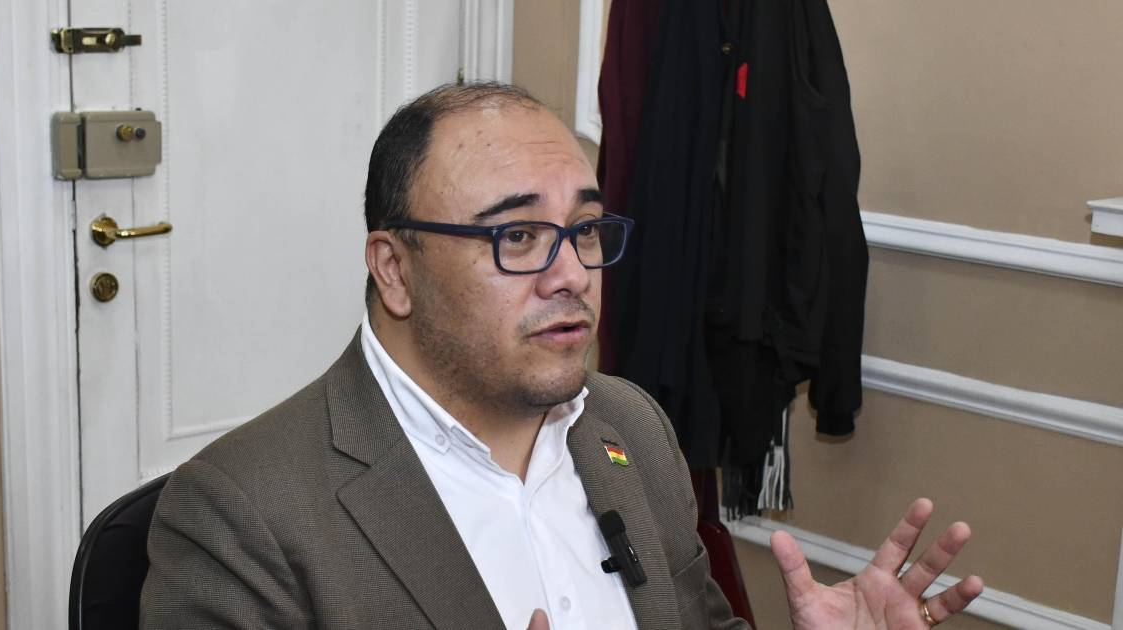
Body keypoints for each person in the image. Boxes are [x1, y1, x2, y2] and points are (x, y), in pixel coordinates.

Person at [139, 82, 984, 629]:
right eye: (516, 236)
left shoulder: (629, 425)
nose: (573, 273)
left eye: (584, 229)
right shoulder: (239, 516)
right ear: (394, 270)